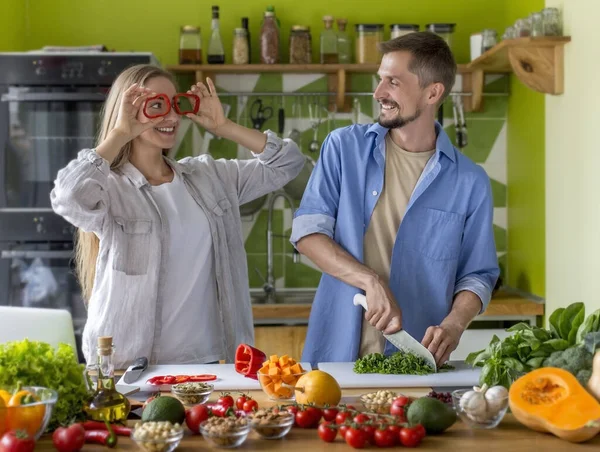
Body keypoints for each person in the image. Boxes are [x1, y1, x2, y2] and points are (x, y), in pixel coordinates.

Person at [51, 64, 304, 369]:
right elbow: (67, 196)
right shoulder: (110, 188)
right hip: (128, 366)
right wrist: (120, 133)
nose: (171, 117)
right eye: (156, 106)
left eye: (175, 104)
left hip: (205, 363)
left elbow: (288, 163)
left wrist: (224, 126)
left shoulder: (209, 176)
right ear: (127, 111)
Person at [290, 32, 499, 367]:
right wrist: (369, 281)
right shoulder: (343, 148)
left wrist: (455, 323)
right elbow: (307, 234)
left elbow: (478, 274)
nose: (379, 93)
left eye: (393, 82)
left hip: (415, 362)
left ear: (432, 92)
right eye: (379, 80)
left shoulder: (470, 181)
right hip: (334, 359)